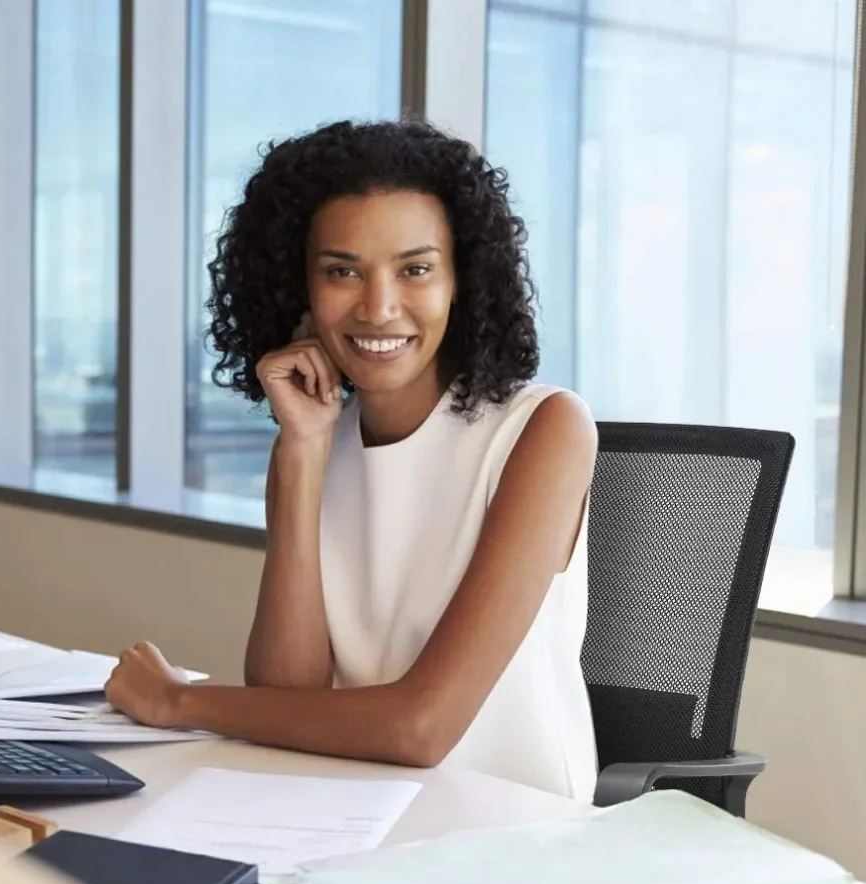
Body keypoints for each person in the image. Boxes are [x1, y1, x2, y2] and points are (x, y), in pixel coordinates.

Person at [104, 119, 599, 800]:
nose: (378, 307)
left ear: (463, 280)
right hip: (358, 809)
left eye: (415, 269)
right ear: (300, 287)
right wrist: (302, 451)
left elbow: (423, 727)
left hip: (509, 829)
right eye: (343, 271)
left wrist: (179, 702)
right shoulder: (318, 437)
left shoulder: (543, 429)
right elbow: (286, 692)